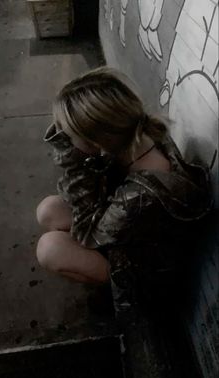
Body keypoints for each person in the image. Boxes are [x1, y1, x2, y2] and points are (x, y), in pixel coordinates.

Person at [36, 67, 212, 315]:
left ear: (97, 143)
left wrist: (74, 159)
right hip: (136, 234)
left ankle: (117, 292)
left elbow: (87, 233)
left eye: (72, 134)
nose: (67, 137)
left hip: (150, 277)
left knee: (50, 248)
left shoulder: (140, 197)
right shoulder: (140, 137)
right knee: (49, 210)